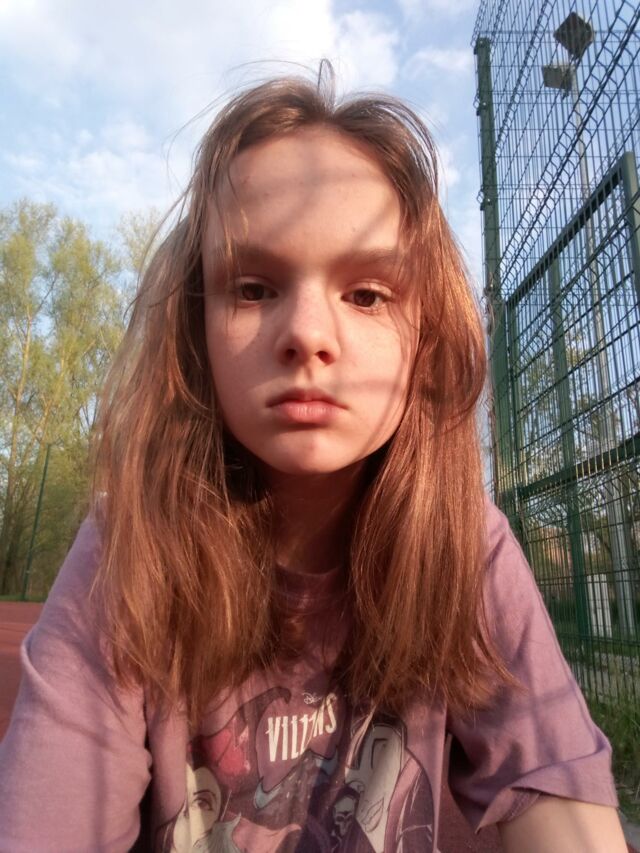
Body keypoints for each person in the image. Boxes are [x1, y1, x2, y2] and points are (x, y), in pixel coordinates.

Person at [0, 65, 627, 853]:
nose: (306, 332)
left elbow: (560, 804)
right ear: (196, 327)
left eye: (367, 294)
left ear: (426, 339)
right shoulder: (129, 547)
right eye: (253, 288)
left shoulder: (464, 544)